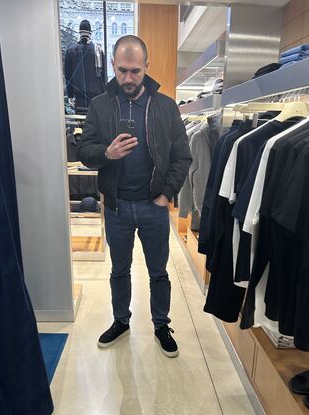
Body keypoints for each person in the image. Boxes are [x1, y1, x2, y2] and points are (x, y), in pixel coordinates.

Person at [77, 35, 192, 357]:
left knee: (159, 272)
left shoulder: (166, 107)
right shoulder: (100, 105)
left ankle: (161, 325)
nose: (128, 78)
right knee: (119, 270)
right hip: (116, 207)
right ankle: (121, 321)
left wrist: (165, 195)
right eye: (122, 70)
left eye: (135, 71)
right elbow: (84, 150)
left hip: (153, 206)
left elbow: (182, 157)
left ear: (146, 67)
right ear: (113, 65)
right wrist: (107, 153)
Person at [65, 19, 106, 114]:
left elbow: (68, 76)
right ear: (90, 33)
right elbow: (103, 76)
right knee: (96, 122)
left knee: (80, 122)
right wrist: (104, 95)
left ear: (79, 33)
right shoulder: (98, 51)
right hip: (97, 97)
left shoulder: (70, 51)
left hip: (79, 98)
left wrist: (70, 95)